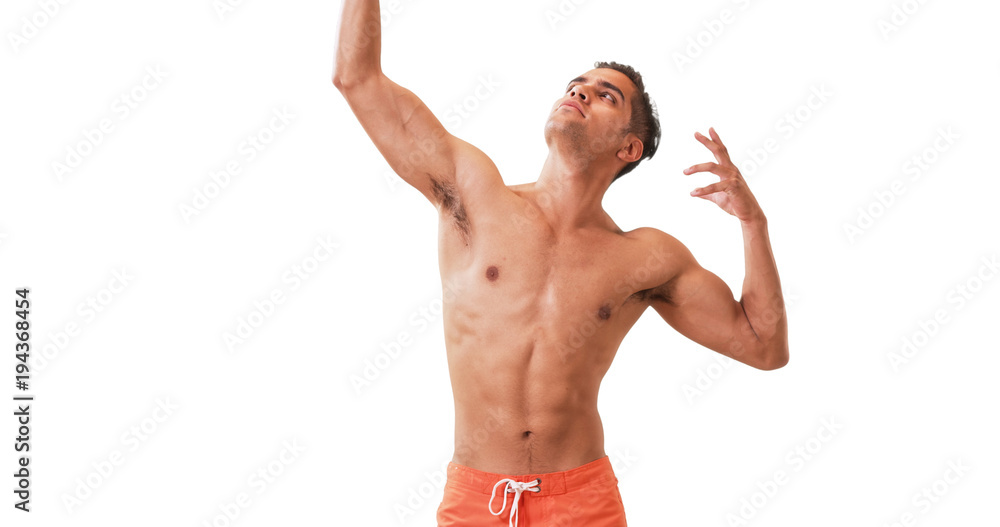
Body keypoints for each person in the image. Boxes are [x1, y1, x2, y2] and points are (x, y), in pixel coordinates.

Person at [333, 2, 789, 525]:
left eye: (605, 96)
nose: (580, 93)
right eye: (577, 85)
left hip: (582, 504)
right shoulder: (473, 192)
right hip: (477, 501)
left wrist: (754, 225)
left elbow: (763, 346)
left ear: (629, 146)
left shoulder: (646, 256)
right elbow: (355, 78)